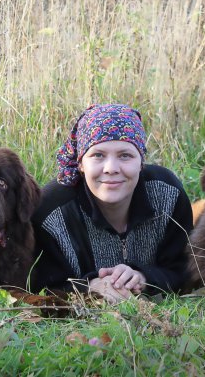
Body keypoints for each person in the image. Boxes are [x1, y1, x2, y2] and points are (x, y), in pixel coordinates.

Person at [31, 103, 193, 301]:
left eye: (125, 156)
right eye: (98, 155)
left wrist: (143, 277)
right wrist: (89, 287)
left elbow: (185, 269)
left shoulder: (168, 194)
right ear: (81, 163)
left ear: (141, 162)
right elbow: (39, 284)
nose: (111, 168)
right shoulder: (50, 211)